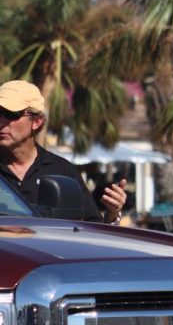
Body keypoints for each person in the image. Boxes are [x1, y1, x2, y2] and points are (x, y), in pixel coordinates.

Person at [0, 80, 126, 224]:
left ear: (37, 121)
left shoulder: (63, 170)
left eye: (10, 114)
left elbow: (93, 228)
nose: (1, 121)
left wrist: (112, 214)